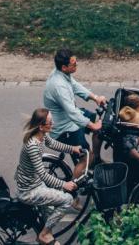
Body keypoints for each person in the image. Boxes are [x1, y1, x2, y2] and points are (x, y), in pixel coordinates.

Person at [15, 108, 82, 245]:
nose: (53, 124)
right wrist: (64, 184)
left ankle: (45, 234)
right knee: (67, 199)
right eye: (50, 123)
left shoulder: (41, 135)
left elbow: (53, 144)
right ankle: (44, 235)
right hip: (29, 190)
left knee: (50, 209)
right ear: (41, 126)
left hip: (35, 182)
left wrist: (73, 148)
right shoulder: (33, 145)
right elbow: (43, 174)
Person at [43, 49, 107, 180]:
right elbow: (72, 112)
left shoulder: (61, 74)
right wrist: (92, 126)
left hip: (70, 118)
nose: (77, 64)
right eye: (74, 64)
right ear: (64, 67)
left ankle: (96, 160)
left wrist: (95, 97)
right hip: (65, 128)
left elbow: (75, 85)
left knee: (100, 125)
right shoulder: (58, 86)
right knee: (86, 156)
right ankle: (73, 192)